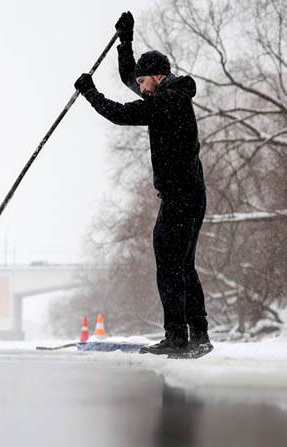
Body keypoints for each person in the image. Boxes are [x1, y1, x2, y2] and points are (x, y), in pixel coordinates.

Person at [74, 12, 213, 358]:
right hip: (192, 196)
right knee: (184, 266)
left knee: (169, 265)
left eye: (142, 81)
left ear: (155, 77)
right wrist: (125, 40)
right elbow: (127, 76)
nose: (139, 85)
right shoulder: (167, 93)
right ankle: (199, 335)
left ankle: (177, 338)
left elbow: (119, 113)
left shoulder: (166, 102)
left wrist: (90, 92)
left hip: (180, 199)